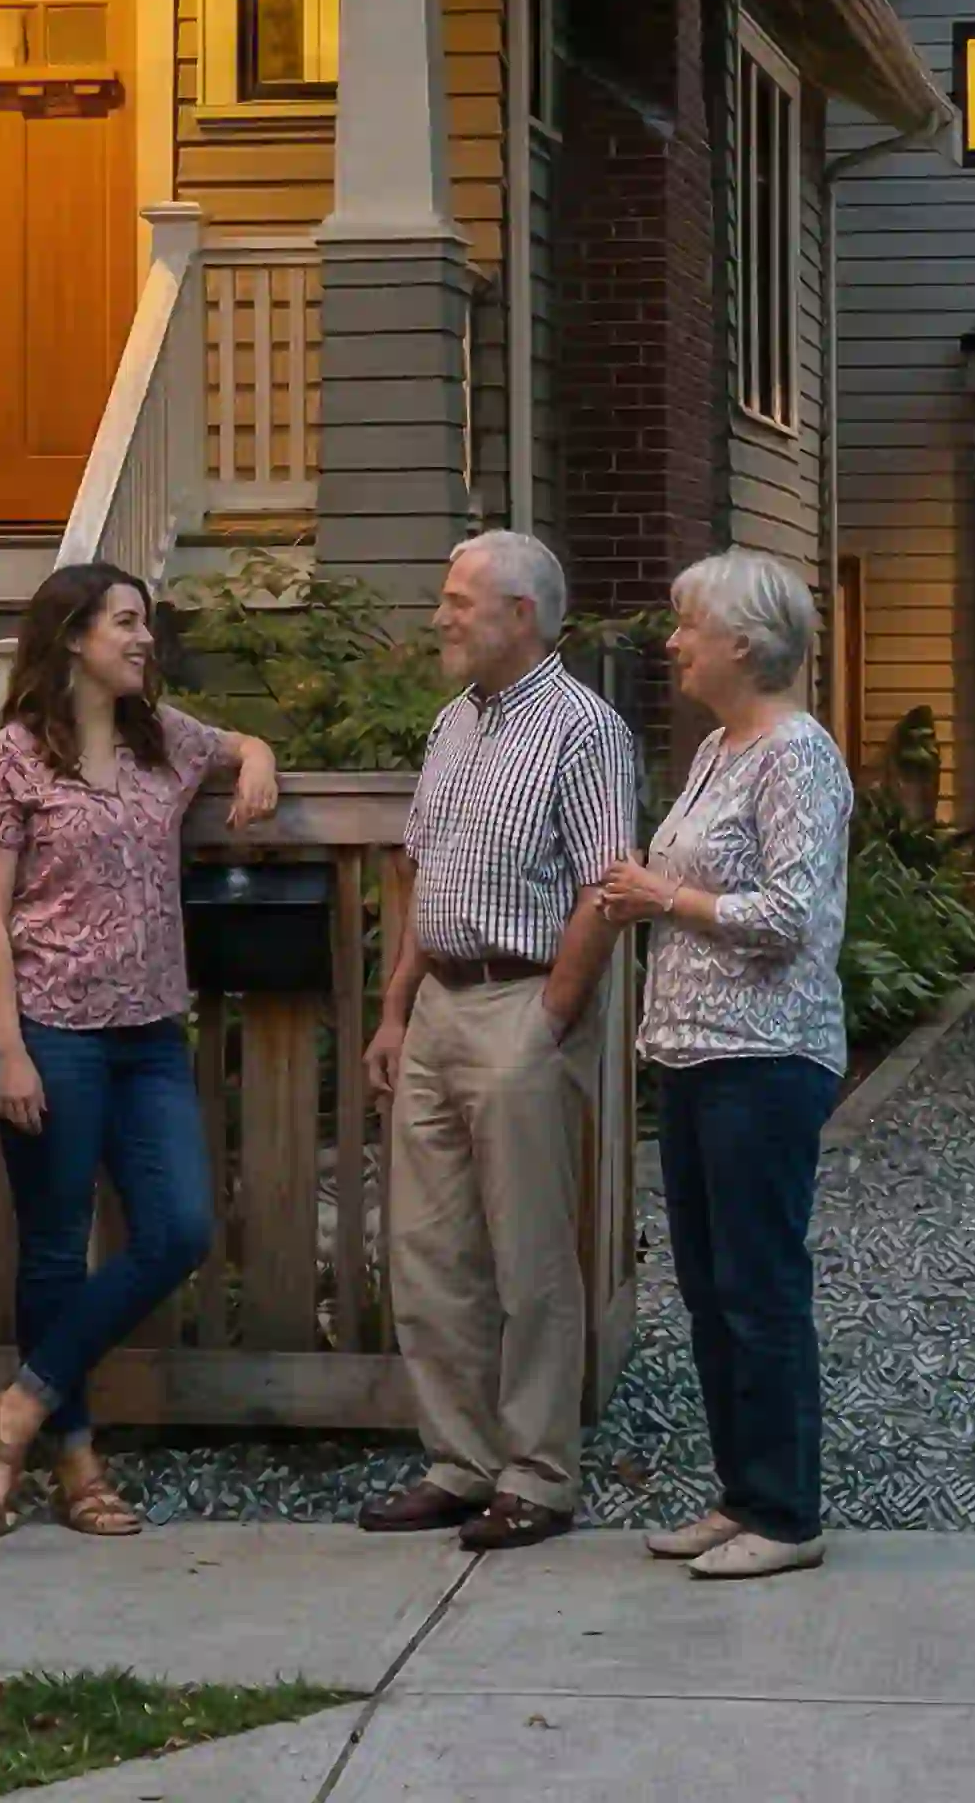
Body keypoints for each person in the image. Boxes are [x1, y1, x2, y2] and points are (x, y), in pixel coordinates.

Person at [0, 558, 281, 1535]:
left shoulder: (162, 742)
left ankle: (14, 1406)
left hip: (146, 1037)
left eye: (145, 624)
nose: (143, 639)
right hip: (49, 1032)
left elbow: (237, 743)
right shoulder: (10, 760)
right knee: (54, 1249)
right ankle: (76, 1466)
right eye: (125, 622)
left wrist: (255, 762)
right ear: (73, 639)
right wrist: (7, 1048)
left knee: (177, 1228)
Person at [358, 528, 641, 1551]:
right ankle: (459, 1462)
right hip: (437, 1006)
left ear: (520, 615)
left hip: (523, 1006)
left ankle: (536, 1475)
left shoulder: (584, 730)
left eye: (457, 600)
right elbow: (420, 880)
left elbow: (606, 887)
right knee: (428, 1252)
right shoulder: (452, 726)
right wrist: (394, 1011)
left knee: (528, 1263)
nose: (439, 616)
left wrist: (551, 1020)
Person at [589, 547, 856, 1579]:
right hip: (695, 1056)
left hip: (764, 1056)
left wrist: (667, 900)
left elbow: (794, 918)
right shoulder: (716, 751)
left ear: (741, 642)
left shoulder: (795, 754)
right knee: (707, 1287)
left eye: (686, 625)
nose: (672, 643)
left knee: (757, 1286)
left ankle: (787, 1515)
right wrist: (645, 888)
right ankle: (739, 1495)